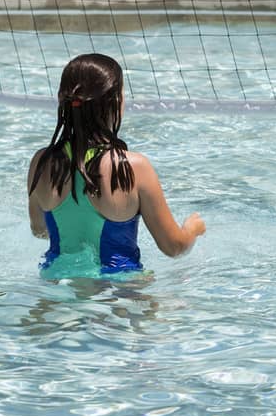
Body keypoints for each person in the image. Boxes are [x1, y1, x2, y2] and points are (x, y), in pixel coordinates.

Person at [26, 53, 205, 277]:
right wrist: (192, 229)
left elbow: (39, 230)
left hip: (55, 284)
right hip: (120, 294)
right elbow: (174, 247)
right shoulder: (133, 167)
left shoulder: (41, 162)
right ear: (115, 102)